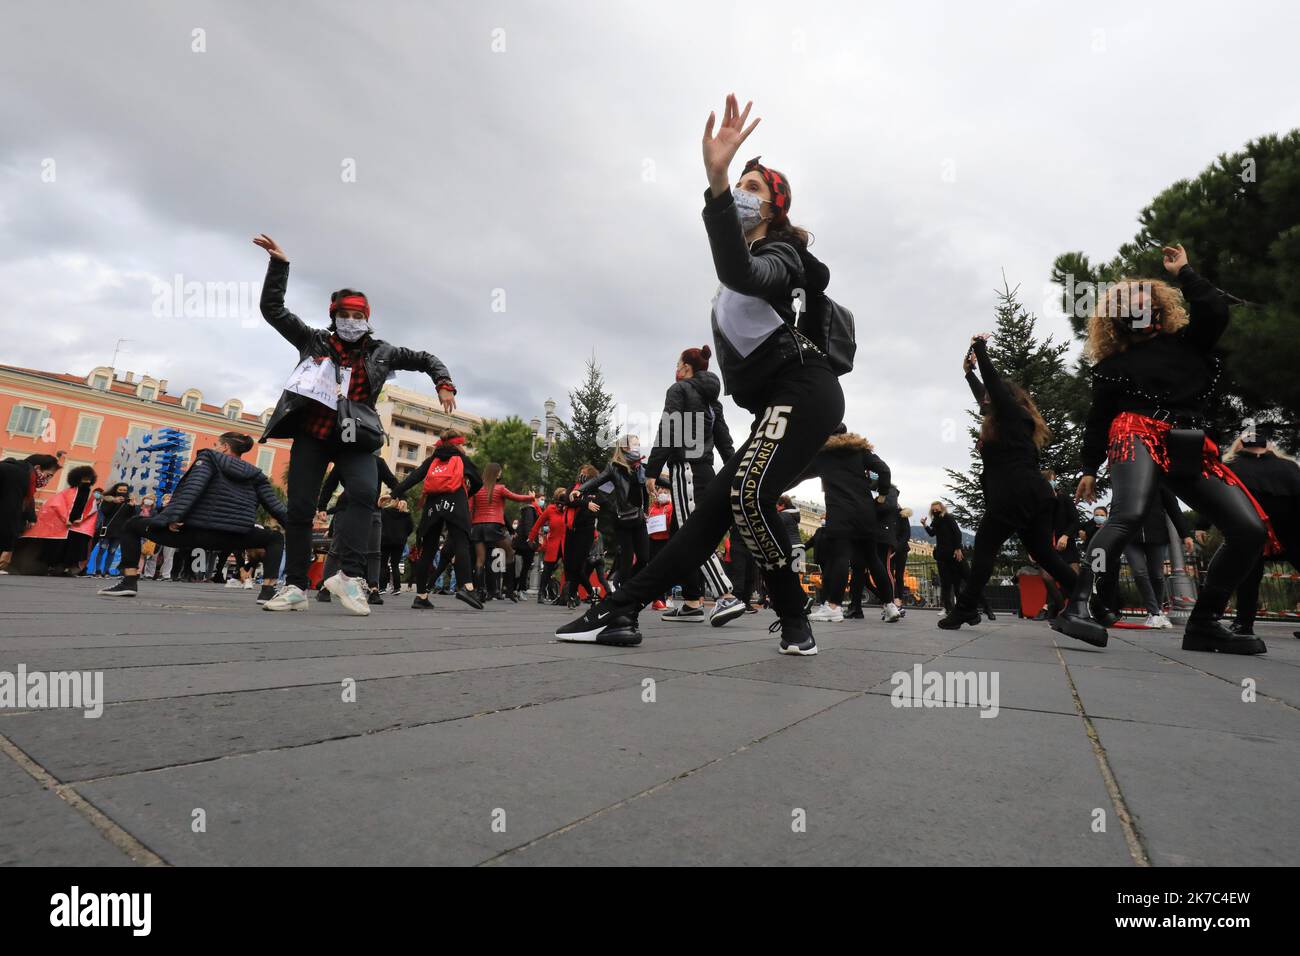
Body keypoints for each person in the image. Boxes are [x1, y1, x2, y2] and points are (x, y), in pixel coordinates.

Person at [559, 94, 846, 654]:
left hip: (805, 391)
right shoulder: (743, 265)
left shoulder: (780, 256)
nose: (742, 192)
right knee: (717, 509)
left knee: (745, 495)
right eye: (739, 183)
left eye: (754, 188)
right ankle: (622, 611)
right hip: (777, 403)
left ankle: (788, 614)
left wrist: (714, 181)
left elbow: (739, 267)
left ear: (772, 210)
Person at [1055, 246, 1270, 654]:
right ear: (1118, 318)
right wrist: (1088, 468)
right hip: (1135, 430)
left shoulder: (1190, 343)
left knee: (1249, 530)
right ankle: (1077, 605)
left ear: (1159, 308)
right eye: (1130, 305)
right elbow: (1098, 421)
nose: (1141, 309)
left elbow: (1214, 310)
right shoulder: (1112, 367)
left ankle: (1204, 623)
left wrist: (1185, 271)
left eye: (1146, 302)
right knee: (1129, 514)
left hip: (1189, 443)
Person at [252, 233, 459, 615]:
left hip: (355, 437)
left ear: (367, 318)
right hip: (313, 436)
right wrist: (279, 266)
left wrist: (443, 384)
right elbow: (273, 310)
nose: (350, 322)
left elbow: (427, 358)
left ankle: (348, 576)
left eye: (357, 316)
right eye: (344, 315)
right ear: (333, 317)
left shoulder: (383, 352)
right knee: (299, 509)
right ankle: (295, 586)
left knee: (365, 495)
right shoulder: (313, 341)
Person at [939, 335, 1078, 629]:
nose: (985, 402)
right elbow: (985, 396)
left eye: (991, 397)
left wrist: (980, 349)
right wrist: (968, 374)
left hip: (1014, 494)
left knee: (985, 548)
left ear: (1005, 398)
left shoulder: (1012, 413)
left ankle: (965, 608)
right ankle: (1087, 596)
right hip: (1035, 495)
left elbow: (993, 387)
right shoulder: (1013, 420)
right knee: (1044, 554)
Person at [98, 433, 287, 601]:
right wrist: (299, 526)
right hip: (234, 537)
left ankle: (129, 582)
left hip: (195, 532)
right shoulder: (256, 475)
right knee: (275, 538)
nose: (214, 447)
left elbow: (193, 488)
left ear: (224, 447)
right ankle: (268, 591)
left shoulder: (209, 458)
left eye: (216, 444)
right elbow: (276, 507)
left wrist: (169, 518)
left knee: (132, 524)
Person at [644, 345, 744, 625]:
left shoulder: (679, 390)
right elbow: (725, 442)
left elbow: (668, 428)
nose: (675, 368)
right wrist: (737, 471)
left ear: (687, 368)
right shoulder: (714, 402)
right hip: (705, 470)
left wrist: (651, 471)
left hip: (685, 469)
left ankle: (725, 596)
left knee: (691, 535)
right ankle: (691, 601)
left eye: (678, 363)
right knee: (680, 534)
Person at [802, 425, 900, 624]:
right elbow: (884, 470)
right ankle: (890, 606)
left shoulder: (821, 455)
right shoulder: (859, 451)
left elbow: (799, 474)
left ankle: (833, 607)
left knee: (841, 557)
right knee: (873, 559)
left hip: (840, 512)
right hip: (866, 513)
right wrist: (881, 495)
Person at [390, 428, 483, 610]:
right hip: (455, 501)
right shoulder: (461, 459)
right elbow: (478, 481)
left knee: (429, 549)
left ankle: (421, 596)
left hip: (433, 505)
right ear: (458, 444)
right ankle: (467, 587)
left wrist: (394, 493)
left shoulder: (433, 459)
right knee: (461, 542)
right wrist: (466, 494)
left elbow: (415, 476)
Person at [1223, 425, 1300, 637]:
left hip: (1252, 527)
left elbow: (1222, 498)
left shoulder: (1231, 466)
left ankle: (1243, 623)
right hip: (1290, 527)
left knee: (1248, 577)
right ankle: (1242, 623)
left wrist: (1203, 525)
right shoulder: (1289, 466)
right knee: (1247, 576)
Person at [572, 437, 649, 622]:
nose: (638, 446)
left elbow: (652, 484)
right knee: (626, 562)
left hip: (638, 519)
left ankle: (626, 587)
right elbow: (597, 480)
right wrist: (580, 490)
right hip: (622, 521)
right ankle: (620, 592)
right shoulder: (614, 467)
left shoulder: (640, 467)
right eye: (635, 442)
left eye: (639, 442)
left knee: (645, 558)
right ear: (624, 447)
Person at [315, 454, 399, 605]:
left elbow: (392, 481)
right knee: (337, 549)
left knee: (374, 552)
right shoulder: (345, 460)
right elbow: (330, 484)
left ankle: (373, 589)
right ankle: (326, 588)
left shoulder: (378, 462)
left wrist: (398, 495)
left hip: (372, 509)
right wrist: (322, 506)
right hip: (346, 508)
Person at [469, 463, 534, 601]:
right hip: (493, 526)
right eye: (499, 472)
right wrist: (531, 498)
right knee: (509, 553)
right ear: (496, 473)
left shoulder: (476, 489)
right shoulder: (500, 488)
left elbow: (469, 508)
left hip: (477, 526)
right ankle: (508, 590)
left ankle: (479, 591)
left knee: (480, 560)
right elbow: (516, 497)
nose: (500, 474)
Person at [0, 454, 60, 573]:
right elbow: (10, 512)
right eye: (48, 475)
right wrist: (7, 549)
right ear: (37, 468)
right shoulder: (18, 476)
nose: (47, 481)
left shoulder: (17, 471)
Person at [560, 466, 601, 609]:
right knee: (569, 564)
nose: (581, 475)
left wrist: (585, 503)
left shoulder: (593, 490)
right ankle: (584, 594)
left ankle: (576, 595)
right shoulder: (573, 487)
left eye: (584, 473)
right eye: (581, 472)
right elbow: (567, 500)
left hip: (586, 531)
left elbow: (595, 507)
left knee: (577, 565)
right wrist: (585, 503)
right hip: (571, 530)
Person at [529, 489, 568, 604]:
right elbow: (538, 523)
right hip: (553, 544)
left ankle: (567, 594)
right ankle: (541, 593)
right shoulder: (550, 509)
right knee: (547, 570)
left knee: (569, 570)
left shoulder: (569, 509)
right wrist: (531, 537)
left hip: (566, 544)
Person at [379, 496, 414, 594]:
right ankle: (397, 588)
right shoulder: (406, 515)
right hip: (399, 542)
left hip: (385, 541)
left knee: (383, 565)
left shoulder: (385, 512)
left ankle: (382, 588)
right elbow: (410, 529)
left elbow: (379, 523)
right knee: (395, 565)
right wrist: (403, 535)